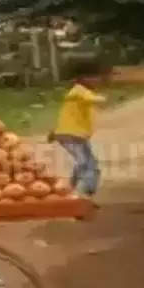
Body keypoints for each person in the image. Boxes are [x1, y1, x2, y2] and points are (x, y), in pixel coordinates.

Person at [47, 60, 107, 199]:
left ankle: (73, 190)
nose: (98, 81)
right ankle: (80, 193)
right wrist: (103, 99)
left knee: (88, 164)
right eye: (94, 77)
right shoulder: (78, 91)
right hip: (71, 135)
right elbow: (88, 98)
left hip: (77, 135)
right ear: (83, 78)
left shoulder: (80, 92)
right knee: (85, 164)